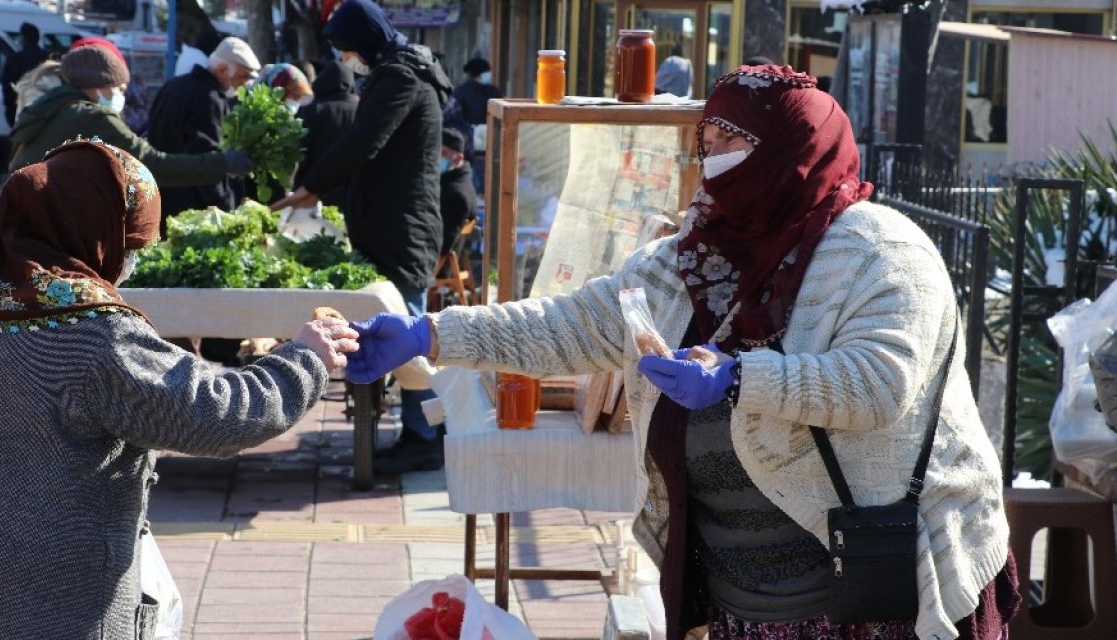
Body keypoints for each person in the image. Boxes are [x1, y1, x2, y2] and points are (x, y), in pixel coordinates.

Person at [343, 65, 1019, 640]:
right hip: (743, 591)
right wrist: (434, 334)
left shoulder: (881, 249)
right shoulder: (692, 252)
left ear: (793, 147)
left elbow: (878, 385)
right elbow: (569, 325)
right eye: (708, 136)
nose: (713, 152)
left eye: (734, 137)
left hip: (875, 580)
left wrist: (737, 379)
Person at [0, 139, 358, 638]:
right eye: (134, 244)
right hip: (31, 603)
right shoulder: (91, 332)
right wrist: (305, 358)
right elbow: (218, 415)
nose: (131, 262)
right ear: (97, 231)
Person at [273, 0, 453, 475]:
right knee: (404, 323)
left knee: (412, 327)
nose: (347, 58)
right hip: (395, 221)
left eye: (348, 48)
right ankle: (420, 429)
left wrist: (310, 185)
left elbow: (364, 142)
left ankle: (427, 435)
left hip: (404, 226)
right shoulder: (404, 70)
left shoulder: (401, 78)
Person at [8, 39, 251, 191]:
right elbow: (154, 166)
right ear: (100, 84)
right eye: (121, 89)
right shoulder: (93, 117)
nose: (121, 97)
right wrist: (225, 163)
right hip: (35, 235)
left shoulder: (52, 106)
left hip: (15, 223)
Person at [146, 36, 260, 229]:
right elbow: (207, 164)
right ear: (223, 69)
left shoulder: (173, 85)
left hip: (160, 201)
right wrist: (225, 210)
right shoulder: (209, 98)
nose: (244, 84)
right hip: (192, 213)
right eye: (243, 76)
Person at [294, 59, 358, 213]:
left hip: (316, 195)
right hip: (355, 196)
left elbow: (298, 154)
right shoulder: (364, 109)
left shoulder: (312, 111)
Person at [447, 56, 501, 193]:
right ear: (477, 74)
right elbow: (450, 115)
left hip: (492, 139)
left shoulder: (493, 91)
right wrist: (469, 129)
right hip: (471, 141)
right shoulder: (462, 92)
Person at [1, 22, 50, 128]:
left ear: (23, 38)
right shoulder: (49, 58)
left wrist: (9, 108)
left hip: (19, 109)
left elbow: (7, 87)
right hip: (45, 111)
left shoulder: (14, 59)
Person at [438, 128, 476, 258]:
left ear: (458, 158)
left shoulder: (456, 195)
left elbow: (442, 245)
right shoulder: (458, 181)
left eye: (443, 153)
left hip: (437, 268)